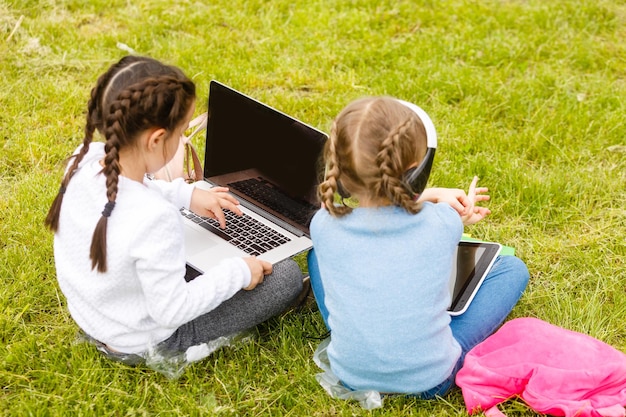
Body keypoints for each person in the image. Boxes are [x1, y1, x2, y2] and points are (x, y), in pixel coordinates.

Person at [44, 55, 303, 365]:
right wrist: (238, 272)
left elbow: (136, 190)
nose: (183, 139)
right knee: (286, 275)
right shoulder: (153, 217)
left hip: (96, 314)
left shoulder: (84, 160)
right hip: (144, 340)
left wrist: (186, 194)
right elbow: (172, 311)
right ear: (156, 139)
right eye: (181, 133)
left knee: (209, 254)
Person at [307, 96, 529, 399]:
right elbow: (416, 217)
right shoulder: (443, 223)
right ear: (417, 172)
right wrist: (436, 198)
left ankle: (357, 337)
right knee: (511, 269)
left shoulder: (322, 225)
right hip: (432, 379)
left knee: (317, 256)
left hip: (350, 374)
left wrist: (430, 197)